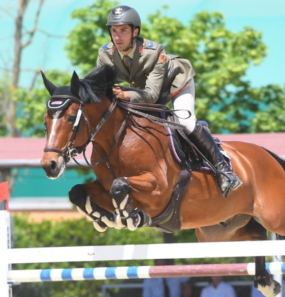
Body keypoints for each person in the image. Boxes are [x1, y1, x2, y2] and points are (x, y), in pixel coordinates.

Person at [97, 5, 241, 197]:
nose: (117, 36)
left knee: (184, 121)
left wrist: (124, 94)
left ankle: (224, 171)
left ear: (135, 31)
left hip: (175, 84)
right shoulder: (105, 53)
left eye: (123, 30)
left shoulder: (154, 51)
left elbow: (151, 96)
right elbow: (102, 88)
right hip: (141, 89)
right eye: (114, 30)